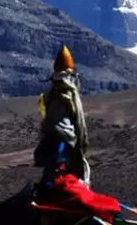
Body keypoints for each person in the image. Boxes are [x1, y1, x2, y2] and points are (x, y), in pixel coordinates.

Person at [33, 44, 92, 189]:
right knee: (61, 171)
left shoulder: (54, 94)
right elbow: (66, 125)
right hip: (64, 141)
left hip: (55, 139)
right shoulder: (66, 96)